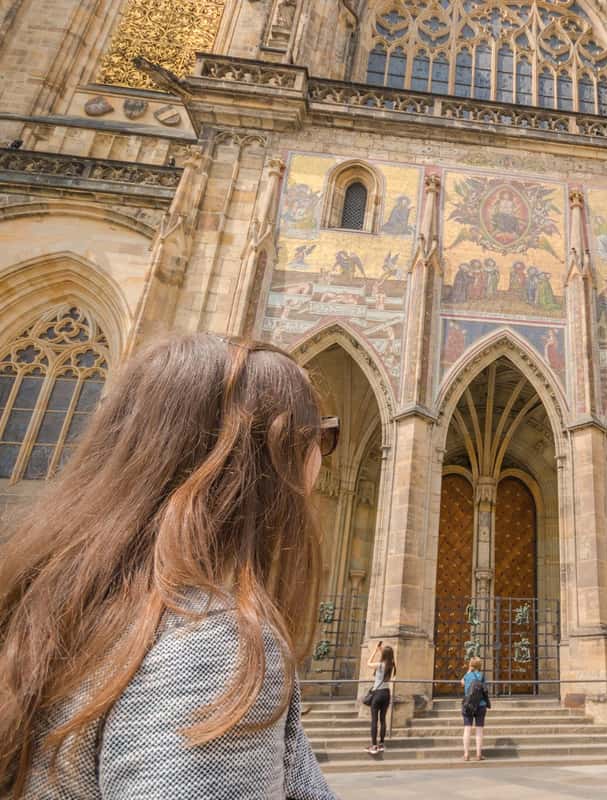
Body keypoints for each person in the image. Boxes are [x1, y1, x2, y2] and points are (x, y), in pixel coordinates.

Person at [0, 333, 339, 799]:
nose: (322, 456)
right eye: (320, 434)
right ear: (269, 455)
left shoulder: (51, 605)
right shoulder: (210, 641)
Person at [365, 643, 395, 755]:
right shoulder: (392, 665)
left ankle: (374, 746)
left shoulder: (379, 665)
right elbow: (388, 656)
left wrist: (375, 651)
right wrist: (383, 650)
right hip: (386, 693)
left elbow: (368, 663)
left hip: (377, 694)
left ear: (384, 655)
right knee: (383, 719)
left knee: (374, 720)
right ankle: (381, 744)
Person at [461, 657, 489, 762]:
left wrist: (469, 671)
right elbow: (485, 689)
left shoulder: (467, 676)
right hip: (481, 705)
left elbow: (462, 683)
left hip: (468, 705)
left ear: (470, 665)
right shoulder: (481, 676)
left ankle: (466, 754)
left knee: (467, 729)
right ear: (480, 665)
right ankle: (478, 754)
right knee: (479, 730)